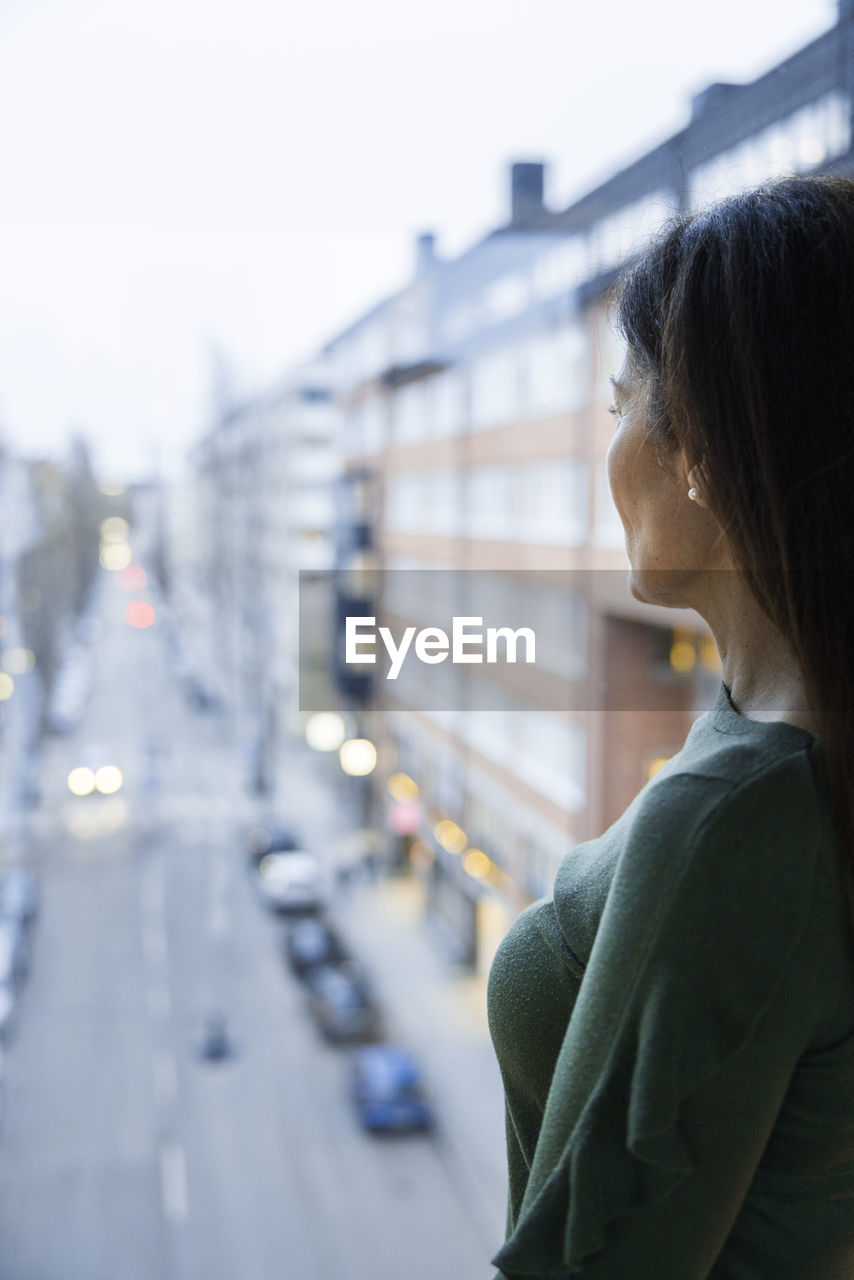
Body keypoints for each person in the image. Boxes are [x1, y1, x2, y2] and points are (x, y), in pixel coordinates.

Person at [487, 175, 854, 1279]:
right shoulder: (787, 753)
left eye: (619, 406)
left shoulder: (733, 825)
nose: (608, 453)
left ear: (697, 443)